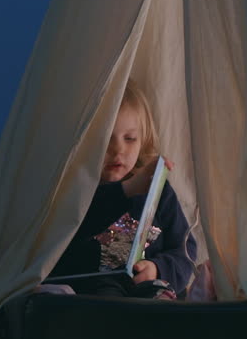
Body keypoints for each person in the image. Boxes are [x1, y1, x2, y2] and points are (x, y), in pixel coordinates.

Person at [47, 80, 197, 298]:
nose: (118, 150)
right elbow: (71, 233)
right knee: (106, 297)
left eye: (130, 139)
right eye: (106, 139)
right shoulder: (77, 191)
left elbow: (184, 250)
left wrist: (157, 267)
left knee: (162, 293)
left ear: (142, 141)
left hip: (151, 286)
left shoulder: (159, 191)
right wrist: (126, 190)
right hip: (97, 289)